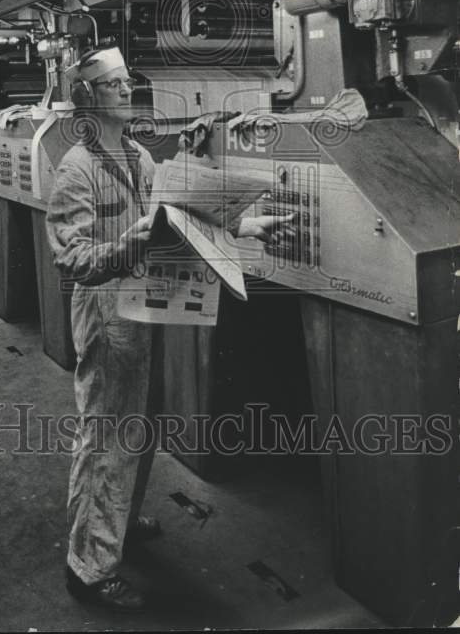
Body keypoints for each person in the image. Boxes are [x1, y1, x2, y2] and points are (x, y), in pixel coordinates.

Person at [46, 46, 292, 613]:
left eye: (126, 81)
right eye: (111, 85)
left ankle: (119, 524)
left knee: (140, 426)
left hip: (143, 306)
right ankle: (90, 566)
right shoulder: (76, 169)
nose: (126, 90)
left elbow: (184, 213)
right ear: (86, 99)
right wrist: (128, 243)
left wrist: (249, 224)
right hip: (106, 309)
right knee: (107, 435)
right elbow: (72, 259)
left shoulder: (136, 155)